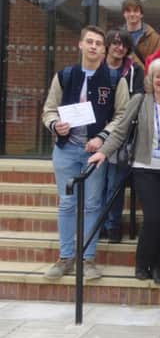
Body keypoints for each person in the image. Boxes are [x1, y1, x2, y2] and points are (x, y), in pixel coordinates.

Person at [42, 25, 129, 280]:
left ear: (104, 49)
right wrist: (54, 125)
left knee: (92, 204)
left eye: (98, 43)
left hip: (95, 152)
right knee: (67, 203)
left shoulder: (115, 80)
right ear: (80, 45)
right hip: (66, 149)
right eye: (89, 42)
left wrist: (102, 137)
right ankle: (65, 257)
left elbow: (122, 116)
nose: (93, 47)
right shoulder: (64, 76)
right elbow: (48, 109)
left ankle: (88, 259)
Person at [88, 59, 160, 284]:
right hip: (144, 168)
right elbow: (120, 131)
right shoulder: (140, 101)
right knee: (153, 217)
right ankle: (142, 263)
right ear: (151, 79)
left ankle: (158, 266)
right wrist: (104, 152)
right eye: (158, 76)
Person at [101, 29, 145, 244]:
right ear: (108, 45)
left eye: (124, 45)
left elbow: (137, 99)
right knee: (97, 185)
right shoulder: (97, 68)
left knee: (114, 184)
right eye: (116, 43)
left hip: (122, 134)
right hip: (97, 135)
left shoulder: (135, 70)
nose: (119, 48)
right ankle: (98, 224)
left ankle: (113, 226)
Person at [121, 0, 160, 69]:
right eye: (128, 11)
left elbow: (158, 64)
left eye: (135, 11)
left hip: (144, 78)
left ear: (141, 14)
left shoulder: (154, 38)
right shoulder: (117, 36)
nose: (132, 14)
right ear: (123, 14)